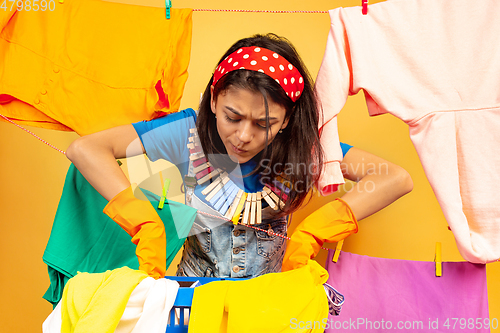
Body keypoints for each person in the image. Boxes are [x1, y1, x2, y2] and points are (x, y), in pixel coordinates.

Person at [66, 33, 413, 279]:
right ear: (214, 100)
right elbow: (85, 149)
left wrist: (315, 232)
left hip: (266, 301)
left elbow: (395, 178)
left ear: (287, 120)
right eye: (232, 117)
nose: (244, 136)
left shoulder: (303, 147)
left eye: (264, 124)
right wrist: (142, 221)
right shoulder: (186, 131)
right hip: (192, 295)